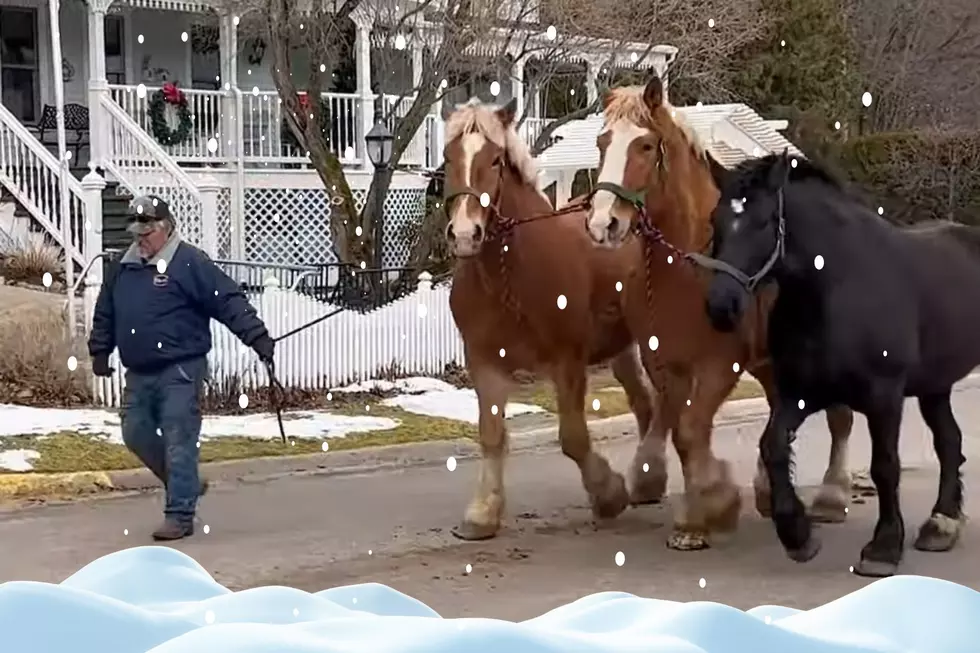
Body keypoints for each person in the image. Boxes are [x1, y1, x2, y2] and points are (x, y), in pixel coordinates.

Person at [88, 195, 276, 541]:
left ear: (166, 228)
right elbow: (106, 311)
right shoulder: (123, 266)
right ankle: (184, 481)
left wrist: (257, 336)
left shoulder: (189, 263)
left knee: (179, 437)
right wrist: (100, 350)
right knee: (135, 433)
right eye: (136, 231)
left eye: (146, 231)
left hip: (182, 367)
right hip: (140, 369)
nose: (140, 238)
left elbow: (227, 299)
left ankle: (180, 513)